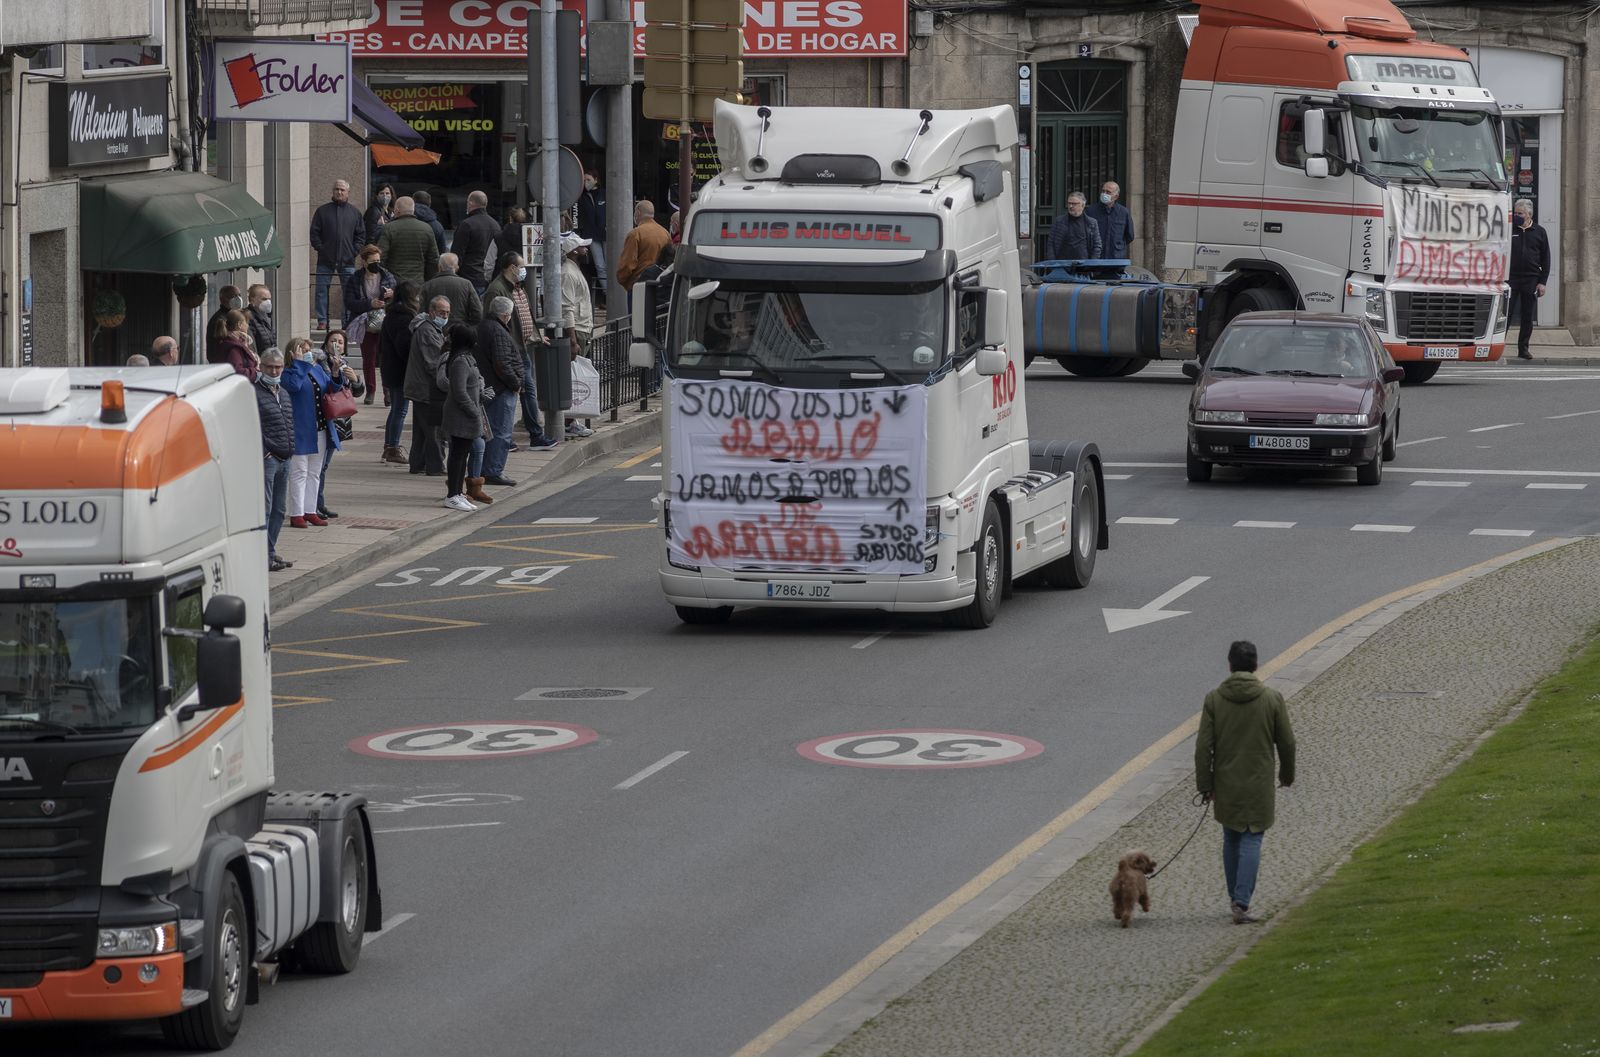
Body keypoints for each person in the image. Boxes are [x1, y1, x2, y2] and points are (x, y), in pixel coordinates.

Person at [1195, 639, 1296, 926]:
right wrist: (1287, 774)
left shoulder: (1214, 699)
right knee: (1253, 836)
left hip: (1226, 781)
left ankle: (1233, 896)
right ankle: (1241, 901)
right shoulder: (1272, 698)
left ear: (1229, 666)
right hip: (1258, 781)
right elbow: (1287, 742)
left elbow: (1203, 747)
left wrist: (1205, 784)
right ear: (1256, 665)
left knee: (1231, 837)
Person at [485, 251, 557, 449]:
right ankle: (511, 437)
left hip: (520, 348)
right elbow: (493, 321)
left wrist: (536, 336)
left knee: (526, 392)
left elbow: (524, 317)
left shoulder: (517, 287)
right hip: (509, 349)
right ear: (512, 267)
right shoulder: (497, 289)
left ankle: (530, 435)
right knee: (514, 394)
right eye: (521, 266)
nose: (524, 270)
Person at [280, 337, 347, 529]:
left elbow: (331, 388)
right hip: (300, 429)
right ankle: (296, 513)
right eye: (303, 350)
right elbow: (294, 386)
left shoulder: (316, 369)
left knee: (314, 472)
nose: (308, 353)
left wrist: (335, 373)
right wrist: (300, 364)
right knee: (299, 472)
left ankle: (310, 510)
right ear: (293, 354)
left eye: (309, 350)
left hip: (320, 427)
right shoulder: (288, 373)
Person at [313, 334, 364, 519]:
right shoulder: (321, 362)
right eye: (333, 341)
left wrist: (355, 379)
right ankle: (315, 504)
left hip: (340, 419)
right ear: (326, 344)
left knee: (324, 465)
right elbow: (326, 388)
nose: (337, 345)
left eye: (340, 342)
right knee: (319, 465)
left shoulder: (344, 363)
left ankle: (318, 503)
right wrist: (335, 374)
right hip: (326, 417)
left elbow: (357, 392)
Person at [441, 323, 490, 512]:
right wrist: (473, 410)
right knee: (457, 455)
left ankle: (458, 493)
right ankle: (452, 494)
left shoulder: (468, 358)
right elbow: (459, 392)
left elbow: (474, 384)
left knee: (463, 454)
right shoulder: (460, 361)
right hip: (461, 415)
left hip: (469, 414)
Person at [478, 296, 525, 488]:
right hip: (500, 389)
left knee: (490, 431)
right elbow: (502, 363)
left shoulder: (485, 326)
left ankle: (486, 468)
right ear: (506, 315)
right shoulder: (498, 331)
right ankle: (493, 470)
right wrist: (515, 383)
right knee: (501, 431)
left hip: (491, 387)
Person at [254, 349, 295, 571]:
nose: (274, 370)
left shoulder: (284, 392)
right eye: (270, 366)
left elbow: (289, 423)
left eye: (278, 367)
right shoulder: (254, 392)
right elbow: (250, 425)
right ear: (261, 367)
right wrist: (265, 452)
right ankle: (262, 555)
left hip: (285, 457)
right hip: (268, 458)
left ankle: (269, 551)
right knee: (266, 508)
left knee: (280, 509)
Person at [403, 294, 452, 476]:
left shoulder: (428, 328)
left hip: (421, 388)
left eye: (447, 312)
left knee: (422, 430)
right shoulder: (427, 331)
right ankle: (435, 466)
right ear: (431, 312)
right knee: (433, 430)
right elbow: (434, 363)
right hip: (426, 389)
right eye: (441, 312)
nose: (445, 316)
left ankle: (418, 463)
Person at [342, 243, 396, 401]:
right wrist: (369, 304)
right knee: (369, 358)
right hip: (365, 322)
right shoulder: (355, 279)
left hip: (384, 322)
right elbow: (350, 302)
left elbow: (398, 298)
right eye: (373, 261)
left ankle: (387, 391)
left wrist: (392, 296)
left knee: (386, 358)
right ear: (364, 262)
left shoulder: (387, 276)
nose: (376, 264)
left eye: (378, 261)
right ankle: (371, 391)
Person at [311, 180, 366, 331]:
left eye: (342, 190)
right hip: (325, 260)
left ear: (348, 192)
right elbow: (314, 234)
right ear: (332, 191)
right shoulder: (322, 211)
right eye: (336, 189)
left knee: (348, 292)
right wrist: (322, 249)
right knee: (321, 290)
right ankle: (322, 321)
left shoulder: (354, 213)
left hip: (348, 261)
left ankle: (347, 320)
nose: (339, 192)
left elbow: (361, 236)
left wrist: (353, 252)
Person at [379, 280, 422, 465]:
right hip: (400, 370)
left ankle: (390, 446)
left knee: (397, 409)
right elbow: (404, 347)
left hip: (391, 368)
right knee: (400, 410)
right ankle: (392, 447)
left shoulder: (392, 314)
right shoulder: (404, 318)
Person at [560, 232, 595, 439]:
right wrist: (572, 339)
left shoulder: (573, 270)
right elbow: (567, 308)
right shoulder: (568, 273)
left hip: (583, 327)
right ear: (573, 251)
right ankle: (569, 421)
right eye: (582, 246)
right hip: (578, 329)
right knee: (572, 377)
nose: (586, 248)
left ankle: (571, 420)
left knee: (574, 377)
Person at [1508, 198, 1550, 361]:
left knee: (1527, 315)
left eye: (1520, 213)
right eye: (1515, 213)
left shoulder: (1539, 232)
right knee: (1507, 313)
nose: (1517, 215)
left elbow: (1546, 258)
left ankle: (1523, 348)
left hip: (1531, 279)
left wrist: (1542, 282)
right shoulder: (1510, 229)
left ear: (1528, 214)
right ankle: (1498, 345)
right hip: (1511, 278)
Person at [616, 200, 672, 302]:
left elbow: (627, 264)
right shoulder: (665, 233)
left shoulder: (635, 234)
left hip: (638, 285)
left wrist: (623, 280)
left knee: (636, 316)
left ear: (637, 212)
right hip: (660, 284)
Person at [377, 196, 440, 284]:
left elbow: (381, 256)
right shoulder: (427, 228)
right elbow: (433, 259)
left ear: (397, 210)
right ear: (413, 210)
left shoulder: (389, 228)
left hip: (395, 282)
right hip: (418, 281)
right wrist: (428, 280)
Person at [450, 190, 501, 293]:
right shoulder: (495, 225)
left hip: (468, 277)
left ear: (471, 203)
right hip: (488, 278)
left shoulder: (466, 225)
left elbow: (457, 254)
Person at [421, 253, 484, 326]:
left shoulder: (427, 286)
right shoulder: (466, 285)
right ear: (457, 268)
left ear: (439, 267)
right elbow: (478, 313)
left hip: (433, 330)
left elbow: (421, 313)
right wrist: (467, 327)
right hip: (459, 331)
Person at [576, 170, 606, 306]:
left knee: (610, 264)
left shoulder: (604, 193)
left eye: (588, 179)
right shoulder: (582, 197)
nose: (585, 183)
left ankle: (612, 292)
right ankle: (606, 294)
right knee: (600, 265)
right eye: (583, 180)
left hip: (606, 234)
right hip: (591, 235)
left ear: (596, 179)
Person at [1045, 191, 1103, 261]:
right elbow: (1051, 244)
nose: (1070, 206)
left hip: (1084, 265)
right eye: (1069, 203)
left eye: (1074, 204)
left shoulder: (1091, 223)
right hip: (1062, 265)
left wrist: (1091, 264)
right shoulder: (1059, 222)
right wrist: (1053, 264)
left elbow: (1097, 245)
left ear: (1083, 205)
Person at [1086, 180, 1136, 261]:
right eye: (1103, 191)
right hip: (1096, 258)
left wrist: (1118, 246)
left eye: (1108, 192)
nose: (1104, 194)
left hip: (1116, 257)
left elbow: (1130, 235)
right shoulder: (1091, 211)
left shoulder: (1123, 212)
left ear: (1116, 197)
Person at [213, 310, 259, 381]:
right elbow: (237, 372)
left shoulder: (239, 342)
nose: (248, 326)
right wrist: (256, 372)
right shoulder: (234, 347)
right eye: (246, 323)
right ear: (239, 325)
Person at [206, 285, 245, 361]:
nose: (238, 299)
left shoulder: (238, 315)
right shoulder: (219, 319)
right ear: (222, 299)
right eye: (233, 296)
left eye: (239, 295)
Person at [410, 189, 449, 254]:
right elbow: (441, 251)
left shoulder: (402, 221)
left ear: (413, 201)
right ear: (429, 203)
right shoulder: (437, 226)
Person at [245, 284, 276, 354]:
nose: (268, 302)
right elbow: (252, 346)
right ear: (252, 300)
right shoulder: (248, 317)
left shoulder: (268, 316)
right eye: (264, 299)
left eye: (269, 299)